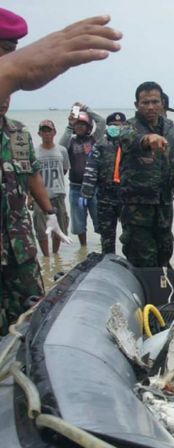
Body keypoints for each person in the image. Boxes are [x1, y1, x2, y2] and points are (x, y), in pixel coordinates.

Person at [0, 10, 120, 336]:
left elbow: (30, 173)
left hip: (20, 254)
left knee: (28, 330)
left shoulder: (17, 134)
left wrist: (50, 211)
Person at [119, 81, 174, 267]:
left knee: (165, 255)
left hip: (164, 207)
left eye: (155, 102)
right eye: (145, 102)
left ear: (162, 104)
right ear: (137, 105)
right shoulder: (129, 127)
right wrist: (147, 140)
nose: (151, 107)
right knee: (143, 261)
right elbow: (128, 140)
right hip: (137, 210)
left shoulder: (172, 130)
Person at [81, 112, 127, 254]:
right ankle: (108, 263)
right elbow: (91, 169)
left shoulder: (130, 144)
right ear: (107, 127)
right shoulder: (100, 145)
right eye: (113, 125)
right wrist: (86, 193)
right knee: (107, 236)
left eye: (119, 125)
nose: (116, 128)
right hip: (105, 198)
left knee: (131, 235)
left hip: (127, 198)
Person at [60, 103, 105, 247]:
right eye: (77, 124)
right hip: (76, 190)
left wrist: (86, 109)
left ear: (88, 127)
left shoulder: (94, 139)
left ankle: (104, 246)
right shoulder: (70, 142)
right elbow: (60, 147)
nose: (79, 127)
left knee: (100, 219)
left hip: (94, 189)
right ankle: (83, 249)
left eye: (82, 124)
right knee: (79, 222)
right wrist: (69, 124)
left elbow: (102, 121)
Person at [32, 119, 71, 256]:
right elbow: (30, 176)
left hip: (58, 194)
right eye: (44, 131)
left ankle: (55, 254)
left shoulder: (62, 150)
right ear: (39, 133)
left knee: (59, 228)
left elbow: (65, 169)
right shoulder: (34, 152)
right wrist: (29, 197)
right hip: (40, 196)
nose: (47, 134)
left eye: (49, 130)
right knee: (41, 230)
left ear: (54, 132)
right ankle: (46, 257)